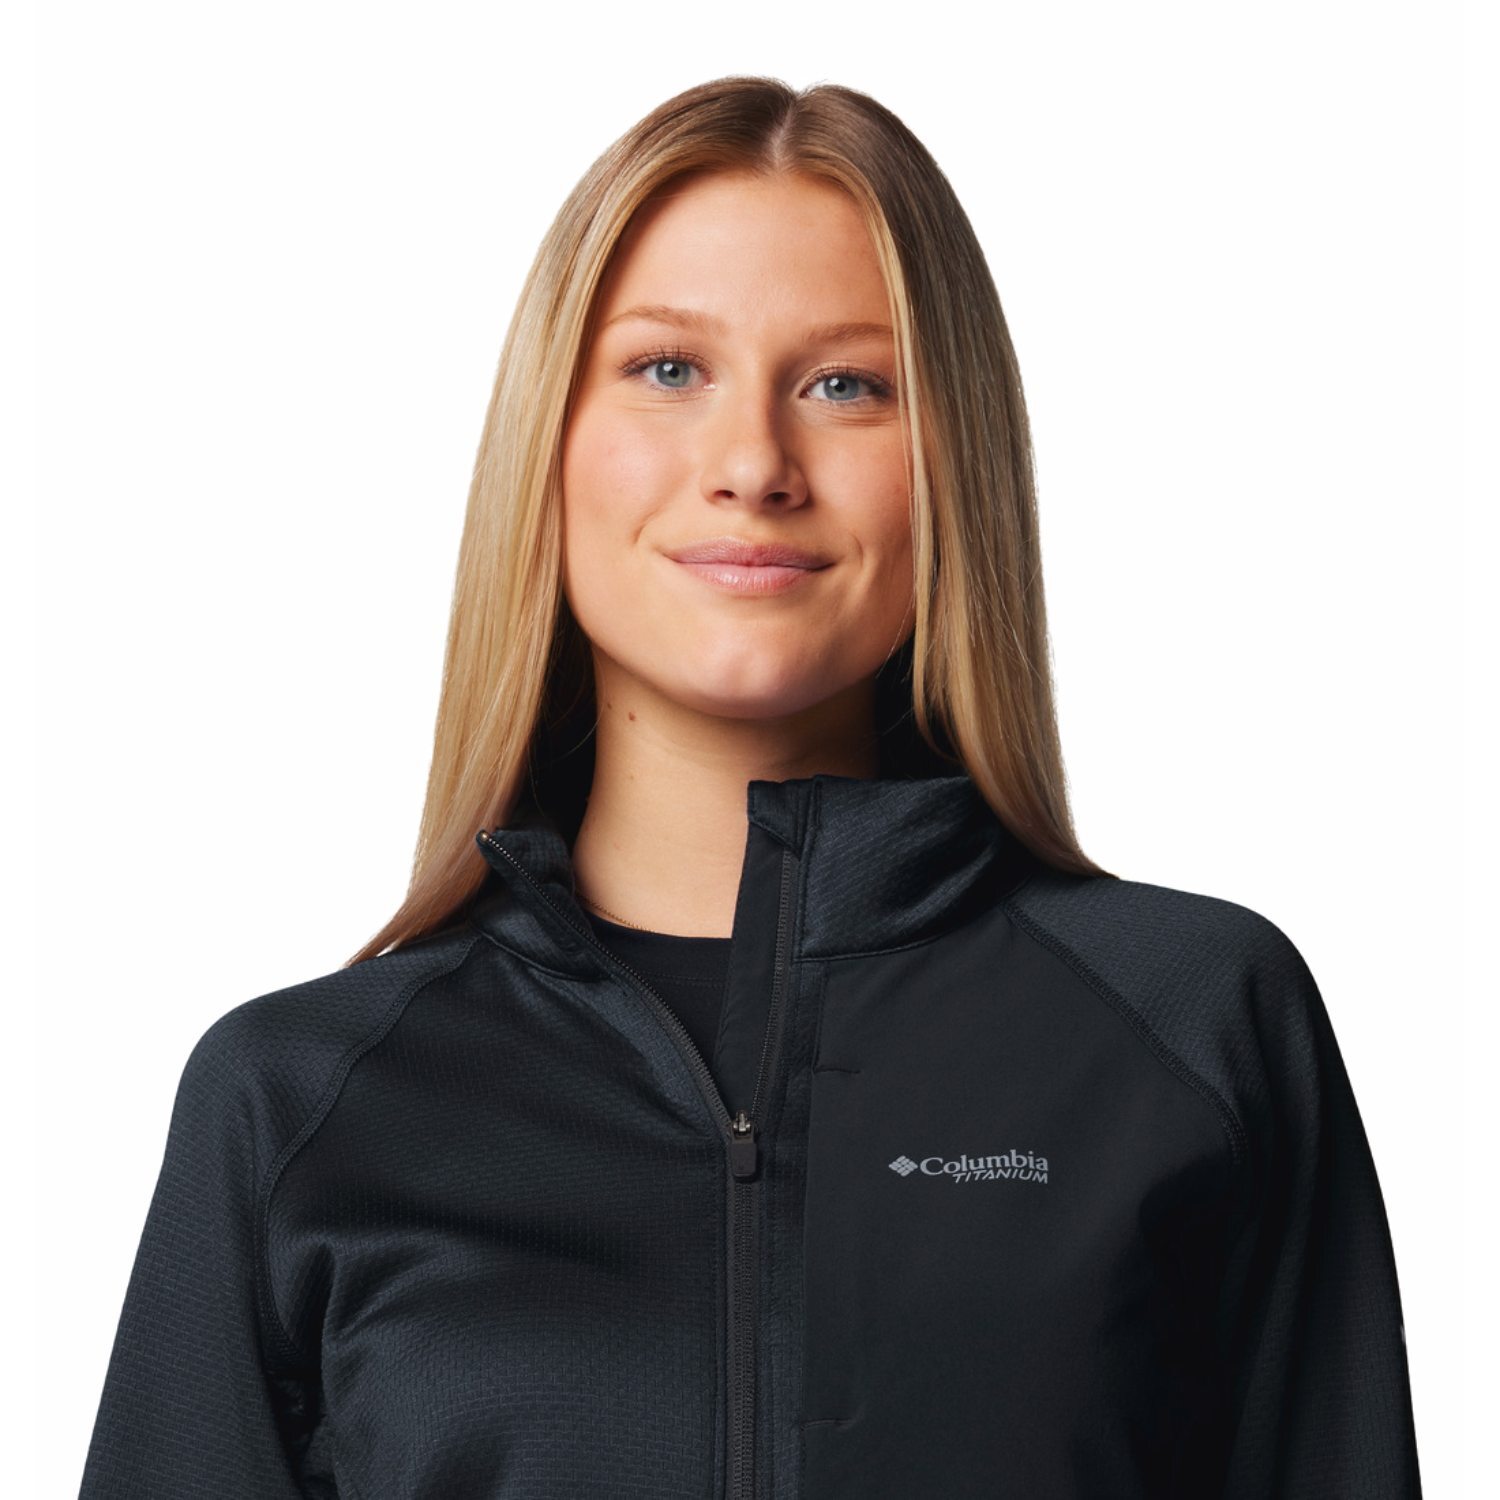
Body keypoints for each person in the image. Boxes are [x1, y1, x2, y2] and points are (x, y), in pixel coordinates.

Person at [78, 76, 1423, 1499]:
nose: (752, 465)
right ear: (548, 444)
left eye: (848, 385)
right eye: (668, 369)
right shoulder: (300, 1100)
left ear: (953, 463)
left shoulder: (1193, 1026)